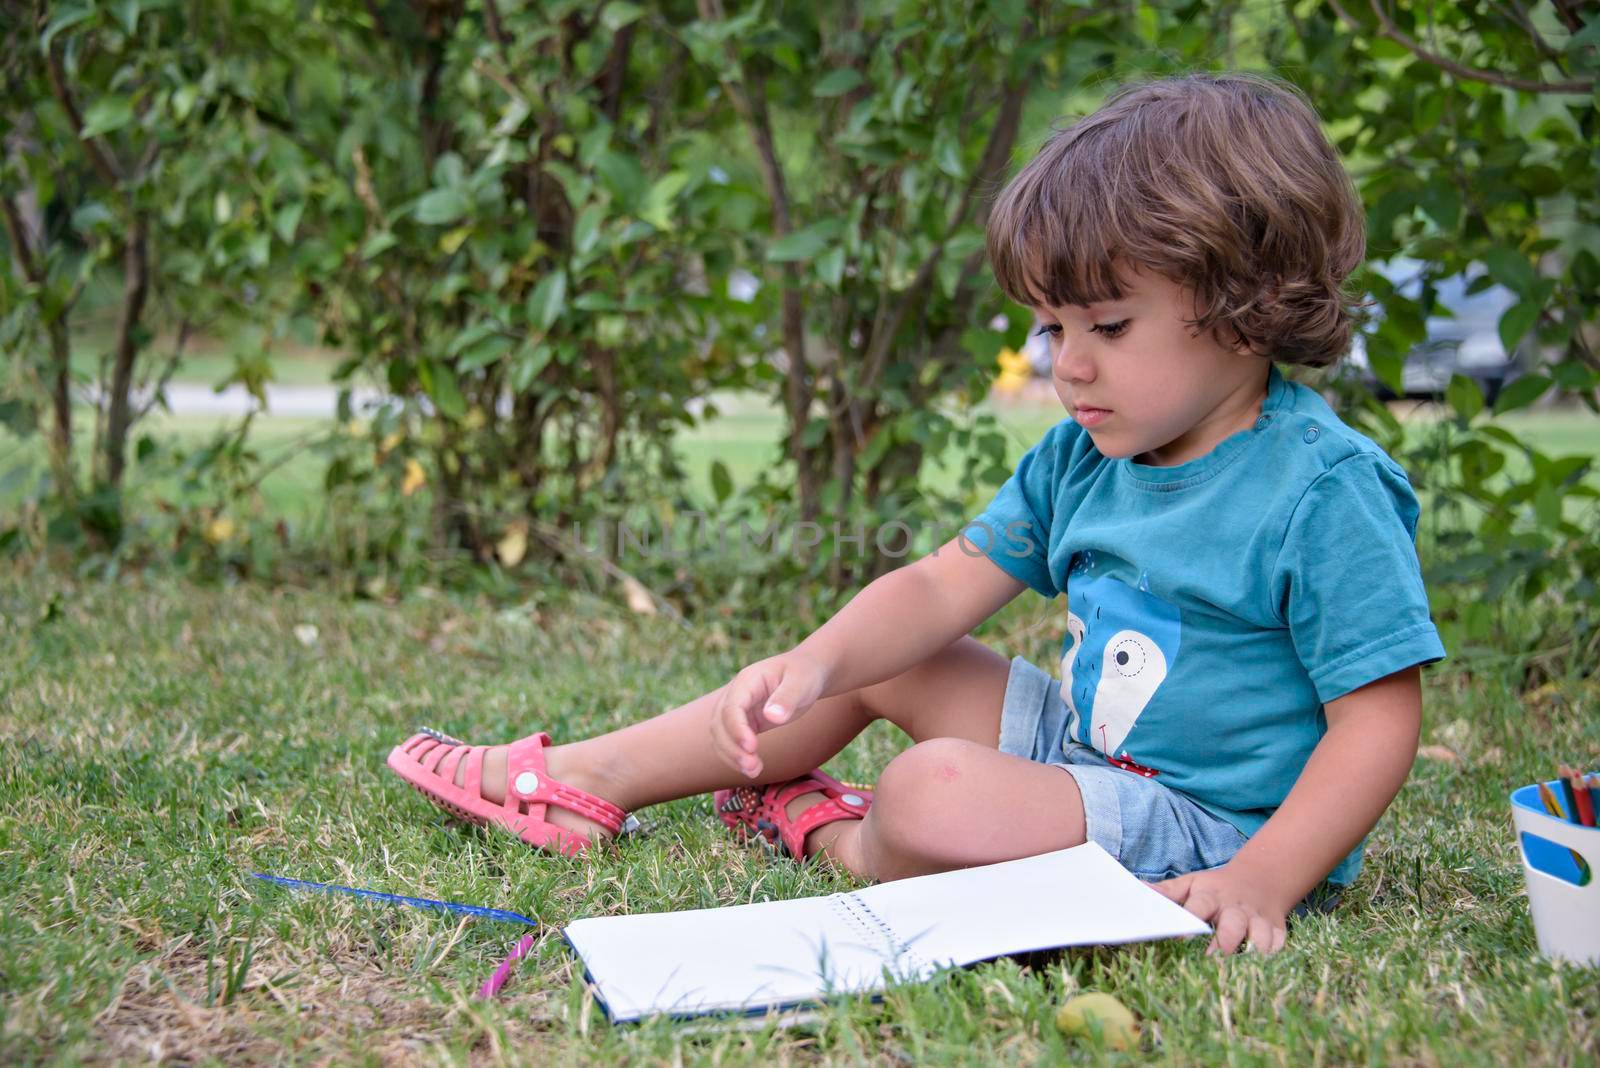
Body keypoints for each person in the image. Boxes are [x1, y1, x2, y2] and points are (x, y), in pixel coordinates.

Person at [387, 73, 1446, 956]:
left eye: (1108, 326)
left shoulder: (1320, 490)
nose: (1065, 365)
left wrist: (1261, 875)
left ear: (1246, 299)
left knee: (932, 791)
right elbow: (943, 585)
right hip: (1085, 756)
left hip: (1212, 823)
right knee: (880, 658)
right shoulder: (1086, 451)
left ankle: (835, 835)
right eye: (1048, 327)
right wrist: (814, 662)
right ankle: (584, 780)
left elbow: (1376, 720)